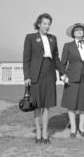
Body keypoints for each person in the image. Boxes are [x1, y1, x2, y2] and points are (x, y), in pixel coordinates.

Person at [23, 13, 65, 144]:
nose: (47, 26)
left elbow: (56, 58)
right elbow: (26, 59)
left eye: (49, 24)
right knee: (36, 106)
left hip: (49, 74)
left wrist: (62, 73)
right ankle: (38, 133)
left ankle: (45, 133)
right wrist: (27, 76)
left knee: (46, 106)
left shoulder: (53, 38)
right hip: (35, 76)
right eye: (45, 24)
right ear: (39, 24)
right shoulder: (30, 37)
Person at [61, 23, 84, 138]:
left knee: (83, 105)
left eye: (81, 30)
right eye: (76, 30)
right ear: (73, 33)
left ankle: (81, 128)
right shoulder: (67, 46)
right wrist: (63, 75)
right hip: (71, 79)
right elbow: (62, 63)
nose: (79, 31)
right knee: (71, 104)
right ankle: (73, 128)